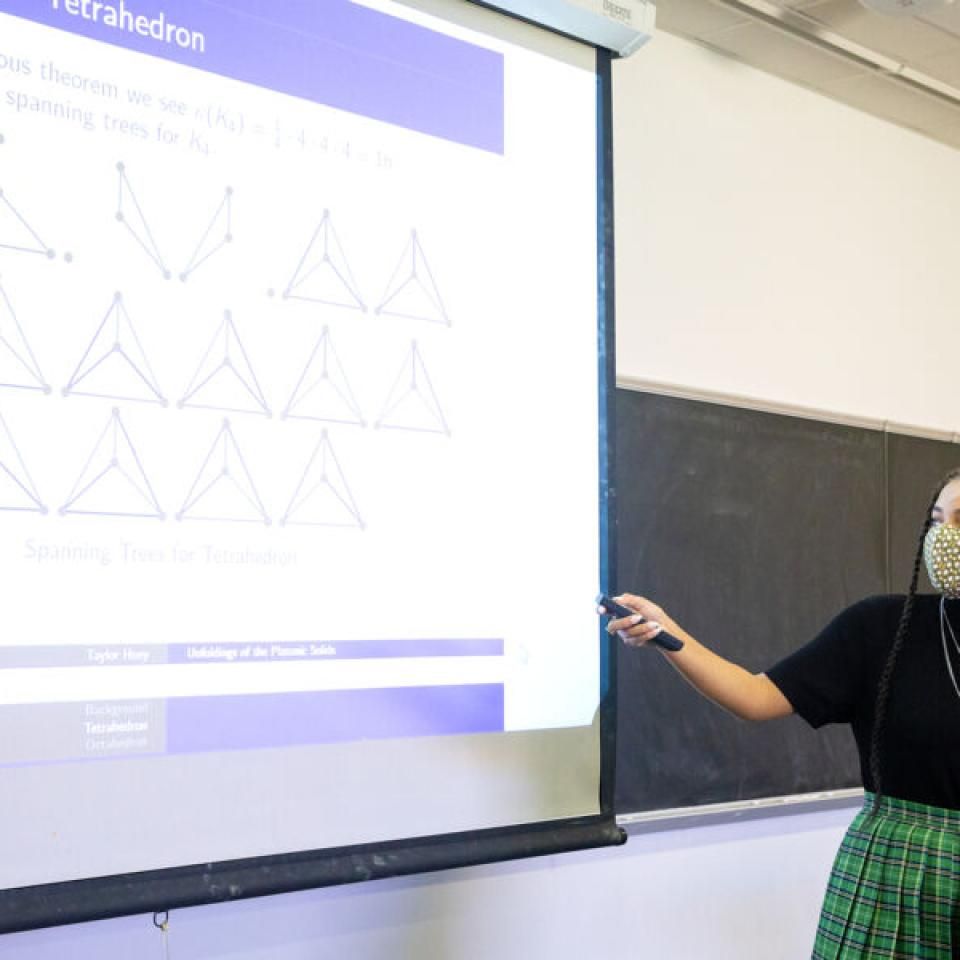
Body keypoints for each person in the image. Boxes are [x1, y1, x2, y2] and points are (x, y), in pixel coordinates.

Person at [607, 467, 960, 960]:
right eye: (939, 520)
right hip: (895, 871)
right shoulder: (881, 626)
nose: (946, 537)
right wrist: (669, 635)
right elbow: (755, 696)